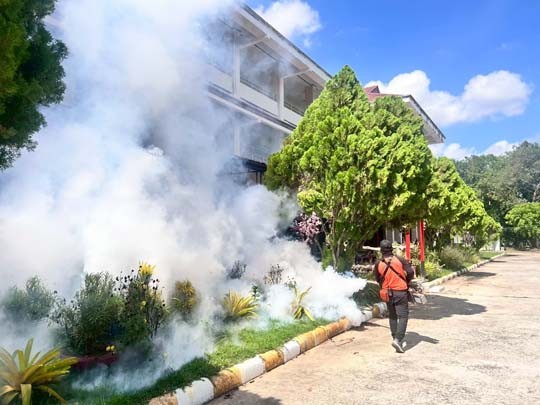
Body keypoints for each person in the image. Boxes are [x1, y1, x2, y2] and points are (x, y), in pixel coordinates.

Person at [373, 240, 414, 353]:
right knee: (403, 316)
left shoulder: (378, 264)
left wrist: (385, 285)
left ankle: (394, 337)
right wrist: (406, 281)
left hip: (387, 293)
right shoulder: (400, 259)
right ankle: (398, 339)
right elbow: (410, 272)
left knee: (392, 316)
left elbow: (377, 278)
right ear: (391, 249)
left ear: (381, 251)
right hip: (400, 291)